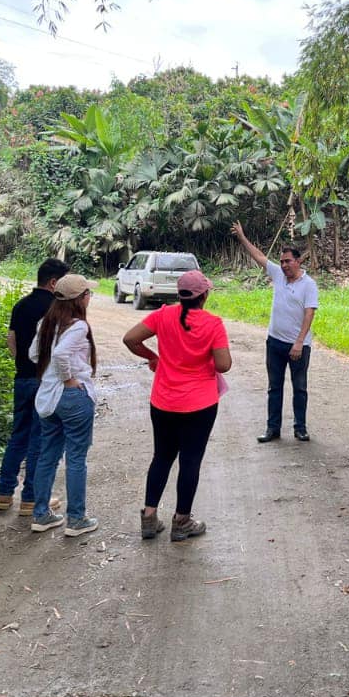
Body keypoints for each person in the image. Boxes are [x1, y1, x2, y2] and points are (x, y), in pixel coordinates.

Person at [123, 269, 232, 542]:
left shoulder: (163, 315)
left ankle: (149, 518)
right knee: (190, 461)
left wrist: (154, 357)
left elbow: (130, 339)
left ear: (180, 295)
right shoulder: (213, 324)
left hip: (163, 401)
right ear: (204, 296)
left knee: (161, 457)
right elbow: (223, 365)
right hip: (200, 404)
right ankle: (182, 522)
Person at [231, 221, 319, 442]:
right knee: (274, 387)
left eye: (288, 261)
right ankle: (273, 428)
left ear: (298, 261)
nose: (284, 265)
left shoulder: (308, 284)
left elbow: (309, 314)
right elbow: (259, 256)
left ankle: (300, 428)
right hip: (275, 342)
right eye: (281, 261)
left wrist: (299, 342)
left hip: (298, 346)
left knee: (300, 388)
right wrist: (242, 237)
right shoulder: (278, 275)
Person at [0, 257, 69, 515]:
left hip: (22, 378)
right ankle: (31, 497)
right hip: (44, 381)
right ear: (54, 282)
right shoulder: (56, 308)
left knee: (18, 435)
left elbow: (11, 340)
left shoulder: (20, 305)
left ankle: (4, 494)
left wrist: (23, 363)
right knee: (40, 439)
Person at [28, 273, 99, 537]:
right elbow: (60, 354)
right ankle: (76, 518)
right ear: (79, 299)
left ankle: (41, 514)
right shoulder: (78, 326)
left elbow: (34, 354)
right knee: (76, 458)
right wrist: (68, 378)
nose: (89, 297)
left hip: (47, 397)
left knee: (48, 456)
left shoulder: (47, 322)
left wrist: (53, 373)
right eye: (88, 293)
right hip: (71, 397)